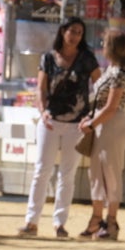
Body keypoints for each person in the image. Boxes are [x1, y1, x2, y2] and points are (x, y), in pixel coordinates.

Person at [18, 17, 100, 238]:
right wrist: (42, 110)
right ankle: (31, 221)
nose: (75, 36)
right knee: (41, 170)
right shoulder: (48, 58)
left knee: (67, 174)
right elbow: (41, 88)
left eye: (79, 33)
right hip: (50, 120)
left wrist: (91, 115)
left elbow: (100, 86)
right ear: (63, 31)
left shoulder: (87, 59)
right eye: (72, 31)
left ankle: (59, 223)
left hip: (76, 123)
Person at [78, 30, 125, 241]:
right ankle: (97, 219)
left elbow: (111, 107)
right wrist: (90, 119)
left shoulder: (118, 73)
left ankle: (111, 222)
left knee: (111, 173)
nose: (102, 45)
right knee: (96, 174)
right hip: (102, 123)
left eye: (105, 42)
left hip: (112, 124)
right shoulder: (111, 70)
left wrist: (91, 123)